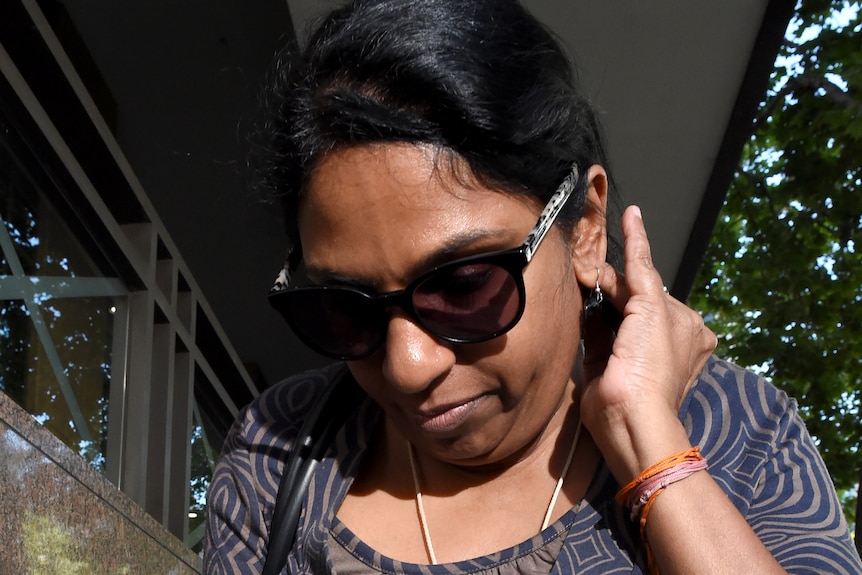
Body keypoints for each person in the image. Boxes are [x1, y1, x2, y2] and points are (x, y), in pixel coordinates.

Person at [203, 1, 862, 573]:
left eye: (463, 284)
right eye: (344, 307)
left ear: (585, 228)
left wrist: (649, 444)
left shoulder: (732, 427)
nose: (408, 366)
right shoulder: (279, 447)